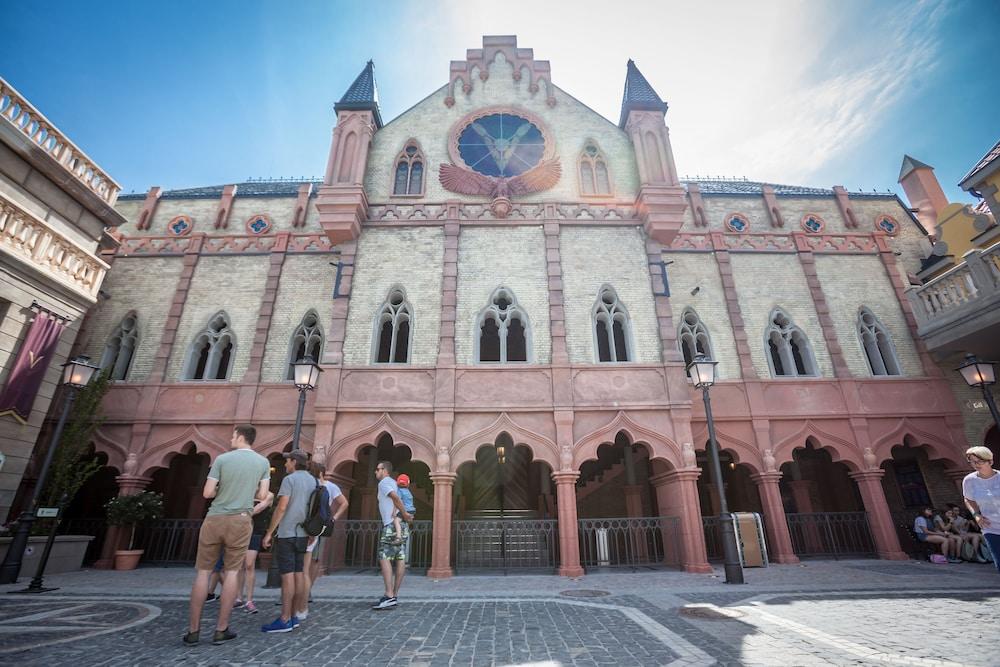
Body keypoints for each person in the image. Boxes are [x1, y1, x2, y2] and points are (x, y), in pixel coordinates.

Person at [185, 424, 270, 646]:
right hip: (241, 520)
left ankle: (193, 631)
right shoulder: (262, 462)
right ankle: (221, 629)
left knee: (203, 573)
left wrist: (223, 490)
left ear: (241, 437)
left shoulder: (222, 460)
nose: (231, 439)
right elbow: (262, 494)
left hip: (215, 518)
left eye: (233, 436)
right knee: (232, 572)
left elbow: (207, 493)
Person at [261, 450, 315, 633]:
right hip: (303, 534)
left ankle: (284, 618)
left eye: (287, 461)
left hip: (287, 533)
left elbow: (282, 507)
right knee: (299, 573)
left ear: (294, 461)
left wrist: (269, 532)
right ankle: (294, 615)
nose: (285, 464)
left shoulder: (289, 480)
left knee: (287, 575)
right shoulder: (312, 480)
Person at [304, 462, 348, 609]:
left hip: (314, 525)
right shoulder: (317, 484)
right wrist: (333, 518)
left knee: (312, 560)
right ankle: (305, 590)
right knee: (312, 559)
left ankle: (305, 590)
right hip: (315, 525)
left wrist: (334, 518)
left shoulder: (324, 485)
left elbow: (343, 502)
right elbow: (344, 503)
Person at [372, 461, 412, 610]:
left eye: (377, 469)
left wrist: (405, 513)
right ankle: (394, 595)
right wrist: (405, 515)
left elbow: (395, 497)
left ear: (384, 470)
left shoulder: (385, 483)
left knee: (384, 557)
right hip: (401, 524)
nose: (375, 472)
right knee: (400, 557)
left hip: (391, 523)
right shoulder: (395, 483)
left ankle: (389, 595)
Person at [963, 446, 1000, 573]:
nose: (976, 464)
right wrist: (976, 515)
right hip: (991, 528)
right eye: (972, 461)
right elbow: (968, 499)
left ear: (990, 461)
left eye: (980, 461)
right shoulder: (969, 480)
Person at [236, 490, 274, 613]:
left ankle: (249, 600)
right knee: (239, 565)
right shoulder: (246, 490)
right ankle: (238, 597)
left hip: (255, 533)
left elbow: (258, 508)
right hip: (240, 531)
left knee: (249, 564)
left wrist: (241, 513)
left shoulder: (269, 495)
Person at [391, 473, 416, 546]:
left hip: (406, 510)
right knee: (406, 521)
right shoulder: (408, 491)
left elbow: (398, 502)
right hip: (412, 510)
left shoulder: (399, 491)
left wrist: (394, 512)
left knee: (396, 520)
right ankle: (410, 523)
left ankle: (398, 537)